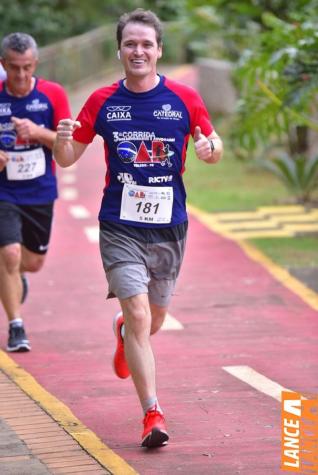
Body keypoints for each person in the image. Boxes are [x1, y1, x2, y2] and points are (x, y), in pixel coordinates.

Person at [53, 8, 223, 448]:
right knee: (140, 313)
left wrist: (210, 149)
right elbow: (68, 158)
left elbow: (212, 142)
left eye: (146, 43)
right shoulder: (102, 101)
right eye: (131, 43)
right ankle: (152, 413)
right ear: (119, 50)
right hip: (119, 225)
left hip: (169, 228)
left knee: (154, 319)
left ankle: (125, 335)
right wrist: (60, 139)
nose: (139, 50)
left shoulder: (184, 98)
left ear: (159, 50)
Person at [0, 33, 71, 352]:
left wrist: (38, 131)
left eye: (27, 67)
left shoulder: (53, 94)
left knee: (31, 262)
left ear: (35, 64)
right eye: (14, 68)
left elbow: (68, 145)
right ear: (3, 65)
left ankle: (15, 278)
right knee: (9, 253)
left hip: (40, 190)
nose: (21, 75)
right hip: (4, 191)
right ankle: (16, 326)